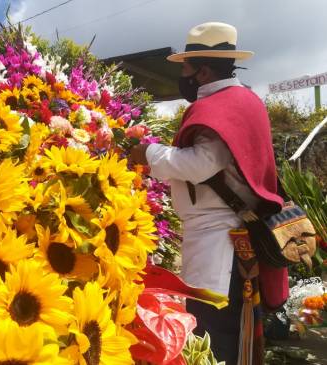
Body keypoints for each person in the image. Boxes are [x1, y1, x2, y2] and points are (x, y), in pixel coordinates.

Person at [129, 22, 283, 364]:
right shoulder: (241, 100)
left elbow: (201, 164)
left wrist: (147, 153)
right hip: (222, 237)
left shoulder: (223, 105)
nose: (182, 74)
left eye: (185, 67)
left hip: (219, 242)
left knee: (213, 336)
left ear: (202, 70)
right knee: (226, 330)